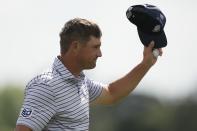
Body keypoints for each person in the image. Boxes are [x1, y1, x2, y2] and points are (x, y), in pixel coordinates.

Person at [15, 18, 162, 131]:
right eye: (95, 47)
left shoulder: (80, 81)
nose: (100, 54)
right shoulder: (46, 85)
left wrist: (146, 64)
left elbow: (112, 93)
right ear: (75, 46)